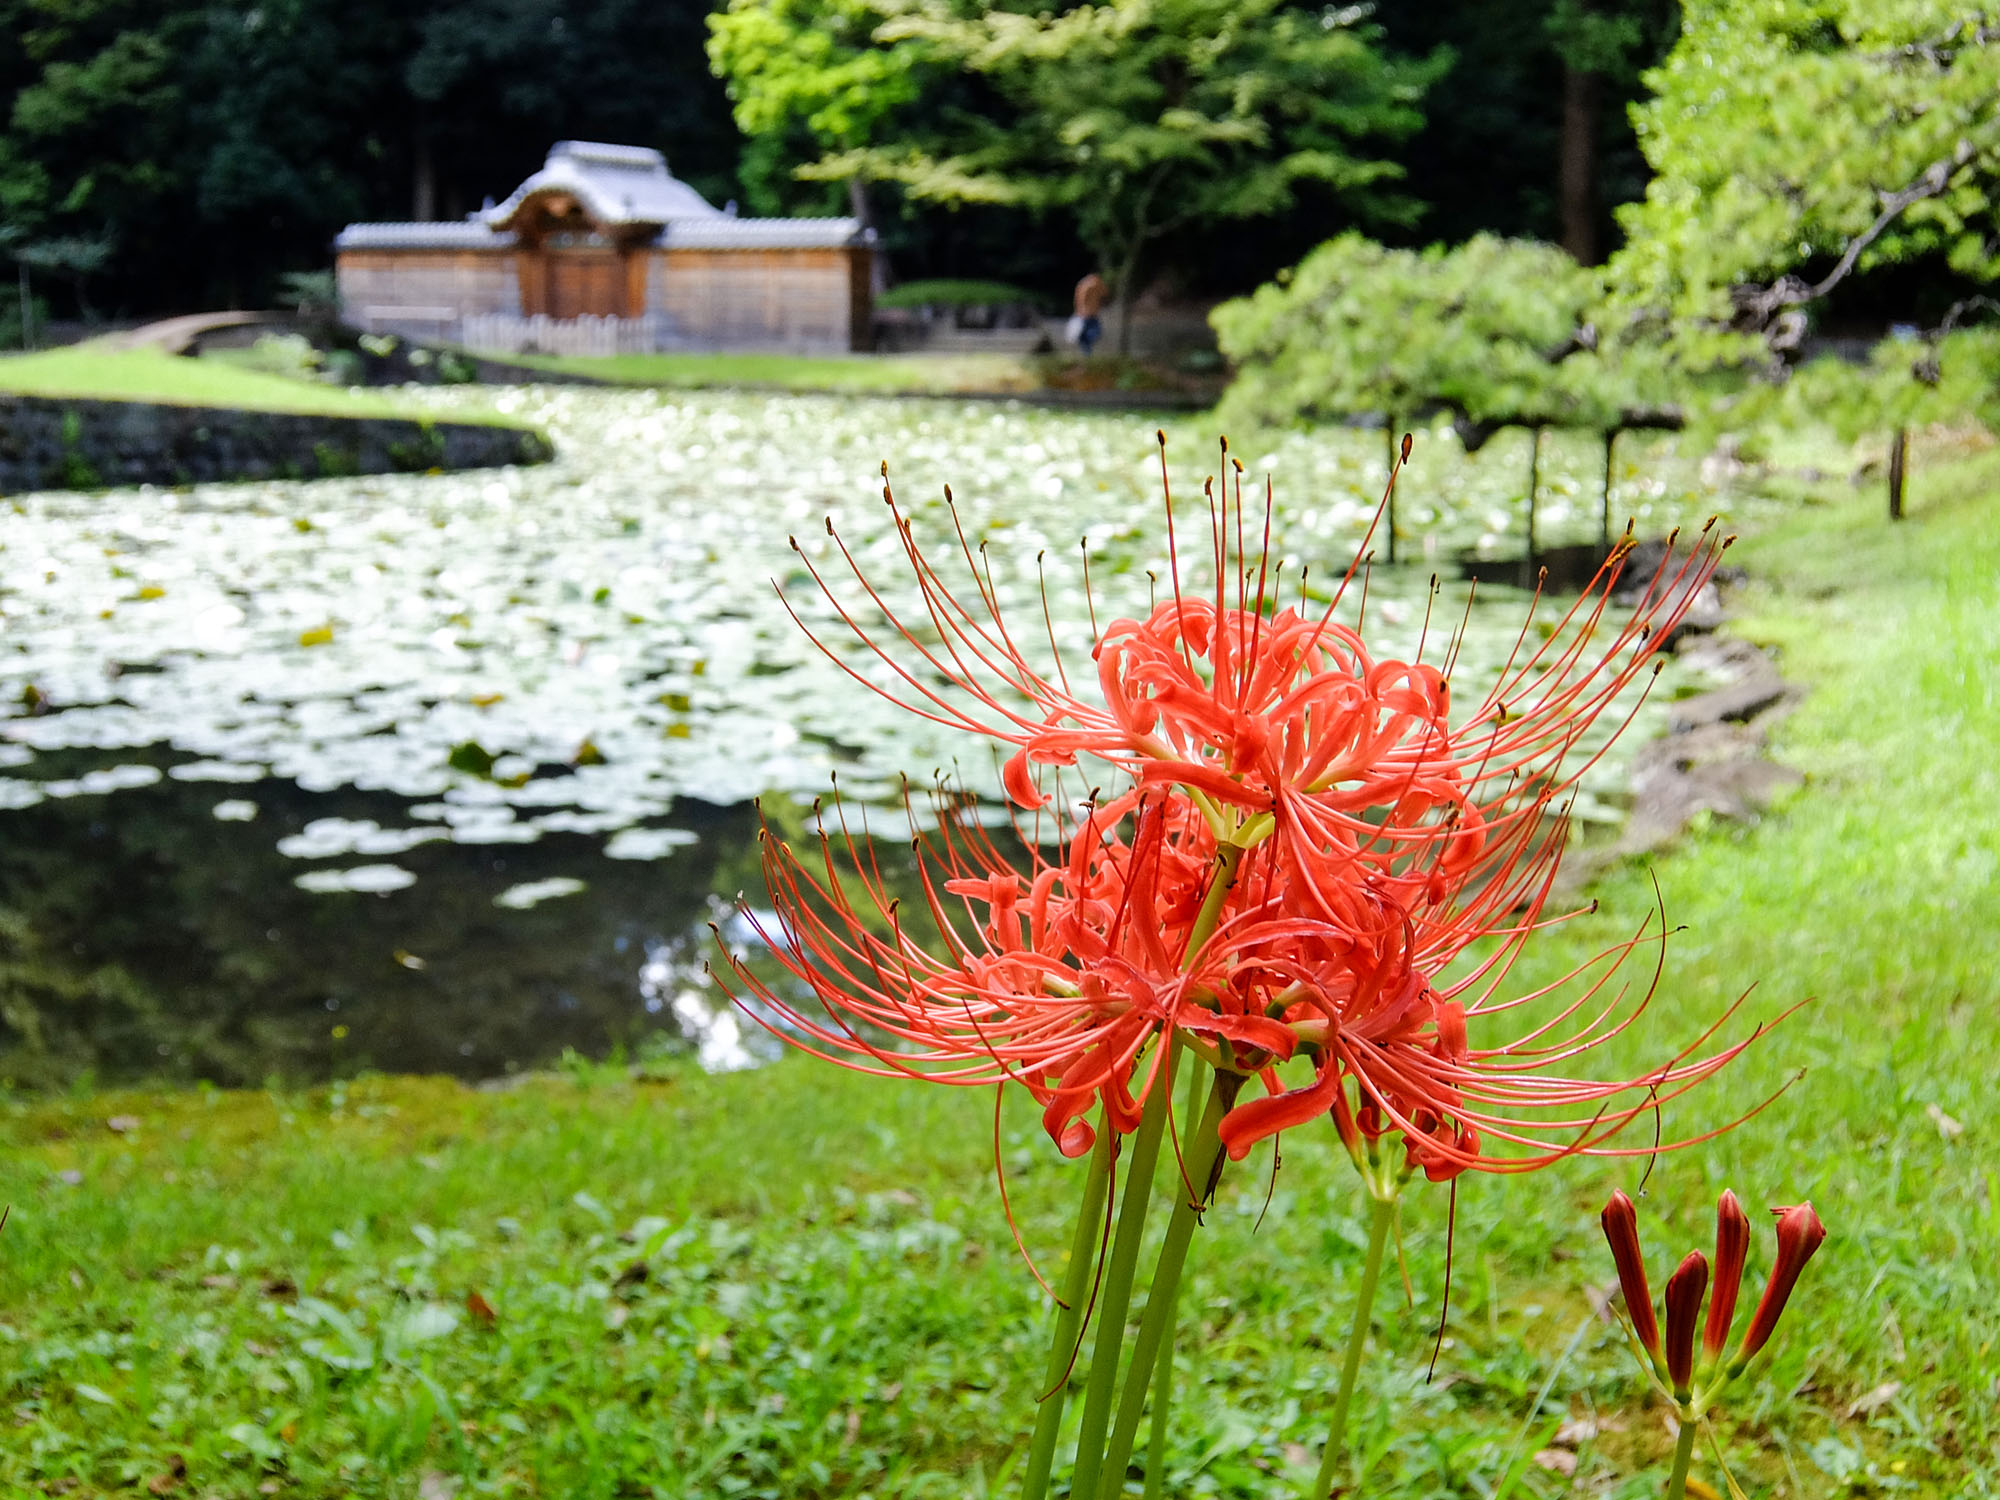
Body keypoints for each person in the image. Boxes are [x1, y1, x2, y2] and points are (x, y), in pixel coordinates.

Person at [1071, 272, 1107, 355]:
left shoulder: (1085, 285)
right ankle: (1086, 352)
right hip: (1086, 314)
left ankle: (1086, 352)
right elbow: (1081, 300)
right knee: (1093, 333)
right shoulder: (1087, 286)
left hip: (1089, 314)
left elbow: (1105, 294)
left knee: (1091, 334)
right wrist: (1081, 311)